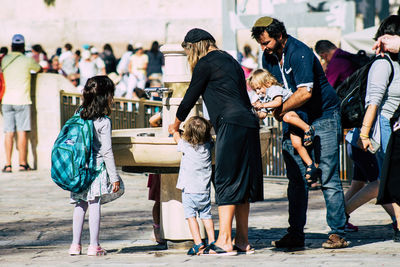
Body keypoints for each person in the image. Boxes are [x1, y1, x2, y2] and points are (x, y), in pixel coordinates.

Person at [251, 17, 348, 249]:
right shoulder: (269, 56)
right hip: (295, 116)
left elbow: (305, 92)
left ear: (280, 36)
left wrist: (279, 111)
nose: (263, 48)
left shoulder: (300, 52)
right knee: (296, 180)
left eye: (266, 42)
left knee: (328, 176)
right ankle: (295, 233)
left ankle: (338, 233)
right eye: (261, 44)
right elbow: (275, 88)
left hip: (322, 115)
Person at [168, 28, 263, 255]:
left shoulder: (205, 63)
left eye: (189, 50)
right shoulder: (231, 60)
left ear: (196, 46)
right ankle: (242, 240)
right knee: (243, 182)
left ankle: (225, 241)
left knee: (226, 180)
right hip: (248, 122)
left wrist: (175, 123)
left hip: (230, 124)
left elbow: (191, 95)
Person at [68, 75, 124, 256]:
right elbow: (107, 151)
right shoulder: (104, 122)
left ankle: (75, 245)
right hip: (97, 169)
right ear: (105, 97)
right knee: (94, 204)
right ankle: (94, 245)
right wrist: (114, 177)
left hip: (79, 168)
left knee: (79, 204)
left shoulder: (78, 114)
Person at [358, 15, 400, 242]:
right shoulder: (383, 63)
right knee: (388, 180)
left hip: (393, 126)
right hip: (383, 125)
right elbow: (373, 101)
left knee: (387, 181)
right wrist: (364, 133)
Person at [248, 69, 321, 188]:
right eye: (255, 89)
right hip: (291, 119)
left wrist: (263, 105)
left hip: (298, 112)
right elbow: (263, 114)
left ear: (267, 83)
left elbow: (277, 102)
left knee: (286, 117)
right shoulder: (263, 97)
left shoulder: (274, 89)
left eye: (259, 88)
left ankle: (308, 128)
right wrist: (254, 112)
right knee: (296, 144)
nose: (258, 91)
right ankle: (310, 164)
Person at [171, 116, 215, 255]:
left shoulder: (185, 145)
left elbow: (176, 137)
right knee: (206, 216)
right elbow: (209, 138)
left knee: (191, 217)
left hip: (189, 191)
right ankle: (213, 242)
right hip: (204, 190)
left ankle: (198, 243)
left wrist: (174, 130)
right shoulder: (208, 146)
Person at [1, 34, 41, 173]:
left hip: (6, 100)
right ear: (23, 47)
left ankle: (7, 164)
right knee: (22, 132)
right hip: (22, 100)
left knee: (8, 133)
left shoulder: (4, 59)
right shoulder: (26, 60)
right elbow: (39, 69)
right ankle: (23, 163)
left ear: (12, 46)